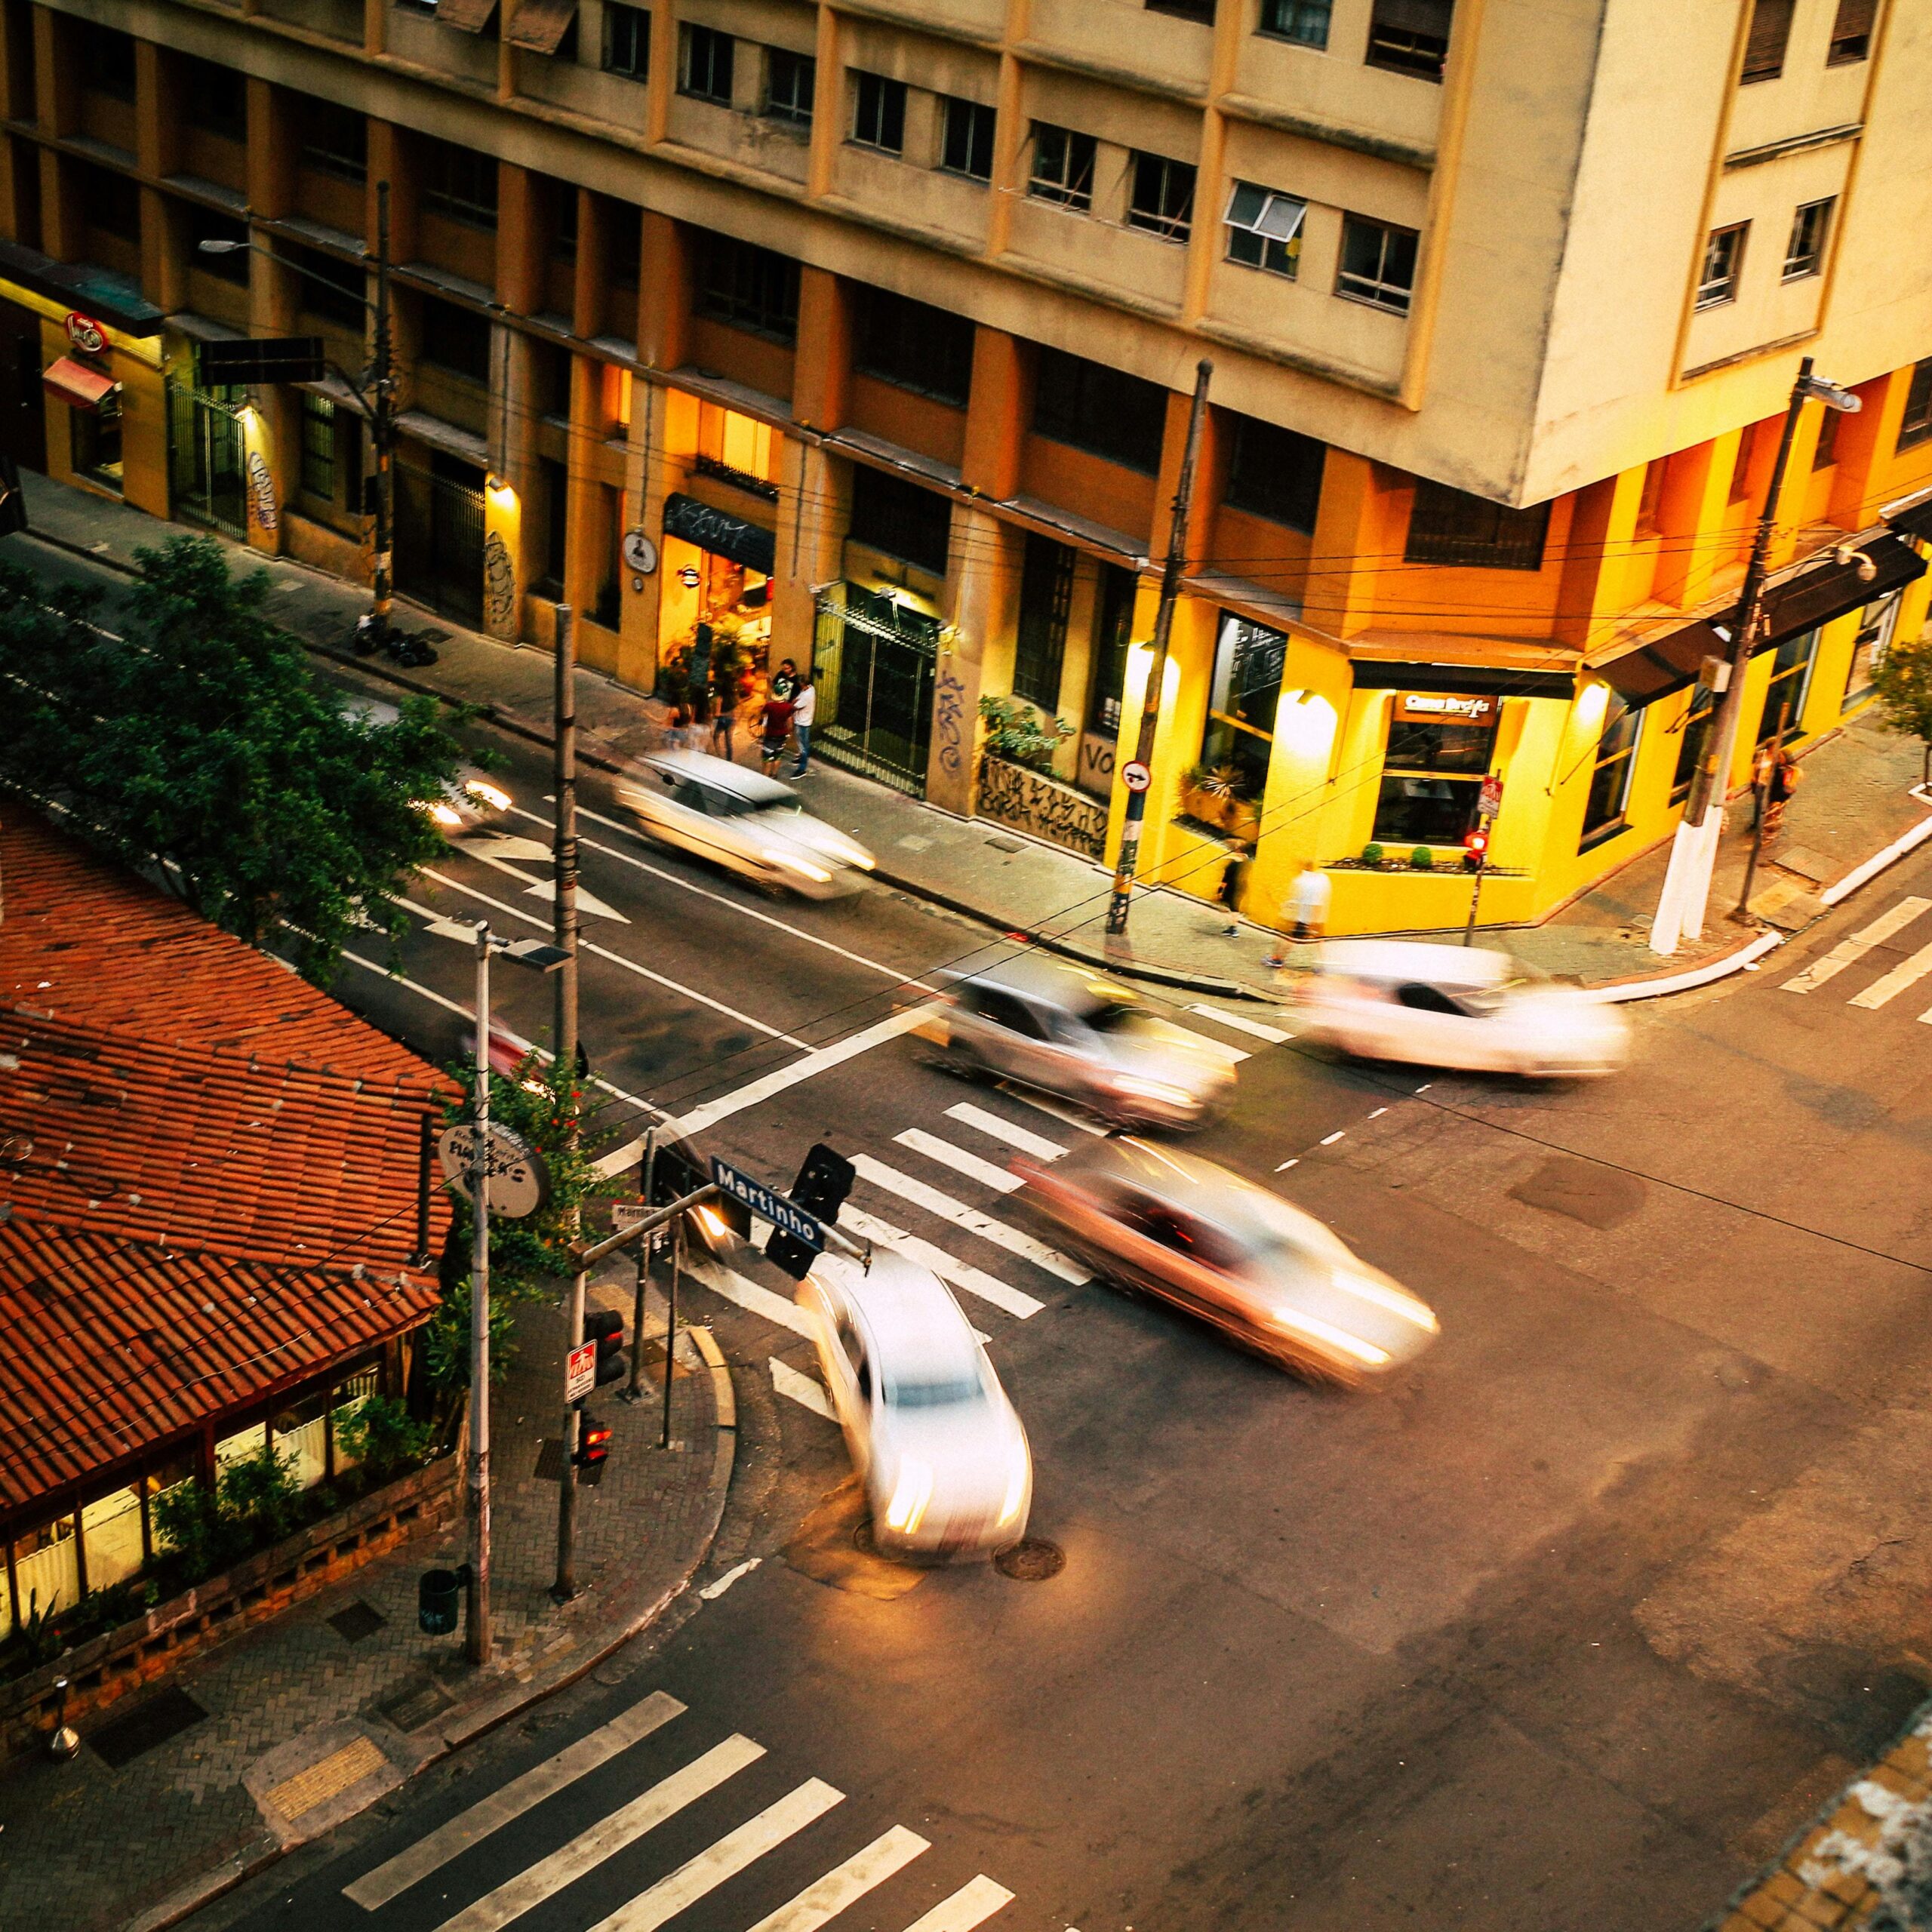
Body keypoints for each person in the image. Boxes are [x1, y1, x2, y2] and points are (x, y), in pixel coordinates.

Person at [1264, 859, 1331, 968]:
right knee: (1319, 940)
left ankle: (1277, 959)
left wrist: (1305, 921)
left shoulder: (1301, 880)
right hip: (1318, 916)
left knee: (1289, 938)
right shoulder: (1323, 878)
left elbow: (1302, 900)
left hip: (1303, 916)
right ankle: (1323, 964)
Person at [1764, 744, 1801, 840]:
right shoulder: (1779, 766)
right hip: (1774, 794)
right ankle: (1768, 832)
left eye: (1780, 756)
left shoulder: (1790, 770)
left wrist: (1781, 800)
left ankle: (1770, 835)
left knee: (1774, 816)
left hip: (1779, 797)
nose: (1779, 758)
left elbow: (1789, 786)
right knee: (1771, 815)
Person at [1217, 840, 1253, 937]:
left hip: (1232, 887)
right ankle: (1232, 926)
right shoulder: (1244, 861)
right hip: (1240, 887)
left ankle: (1233, 928)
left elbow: (1226, 878)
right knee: (1232, 907)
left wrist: (1220, 890)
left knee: (1233, 908)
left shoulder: (1233, 865)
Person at [758, 686, 795, 770]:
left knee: (767, 758)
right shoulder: (788, 707)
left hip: (770, 735)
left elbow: (763, 716)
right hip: (782, 735)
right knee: (778, 756)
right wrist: (790, 733)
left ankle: (766, 777)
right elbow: (790, 723)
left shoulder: (769, 706)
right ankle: (774, 774)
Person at [789, 672, 816, 777]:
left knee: (803, 746)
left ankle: (802, 769)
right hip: (803, 720)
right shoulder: (809, 689)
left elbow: (795, 706)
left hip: (803, 722)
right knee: (802, 743)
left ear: (803, 684)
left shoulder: (807, 696)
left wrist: (791, 704)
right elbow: (797, 699)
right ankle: (801, 758)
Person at [709, 678, 738, 761]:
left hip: (722, 721)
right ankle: (729, 758)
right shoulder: (732, 698)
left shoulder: (720, 698)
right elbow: (733, 712)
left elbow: (717, 714)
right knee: (728, 741)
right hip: (731, 720)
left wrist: (715, 716)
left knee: (716, 736)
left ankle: (719, 753)